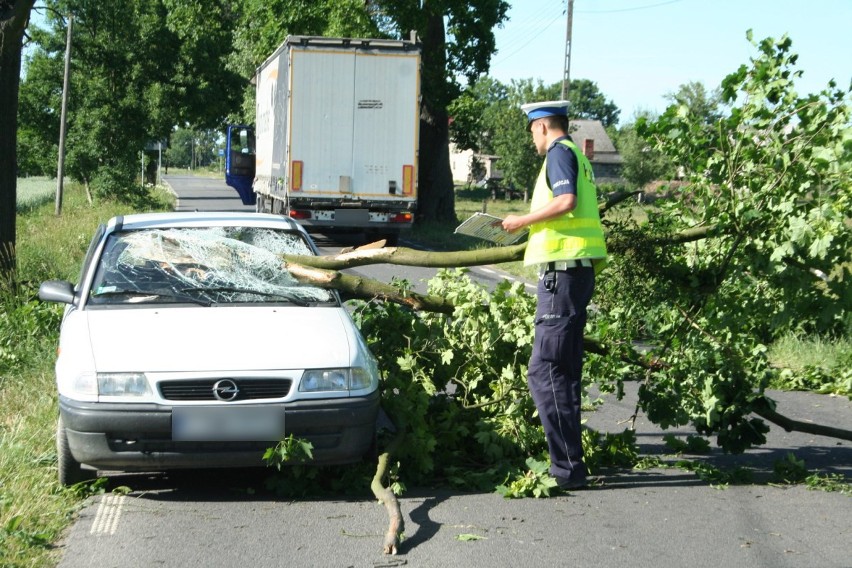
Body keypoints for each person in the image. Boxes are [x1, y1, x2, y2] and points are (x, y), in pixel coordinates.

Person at [502, 100, 608, 490]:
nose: (532, 137)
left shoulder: (560, 155)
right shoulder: (578, 157)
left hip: (562, 279)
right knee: (561, 372)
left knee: (546, 372)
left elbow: (566, 202)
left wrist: (520, 221)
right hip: (572, 277)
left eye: (532, 130)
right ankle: (569, 467)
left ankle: (567, 469)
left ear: (544, 126)